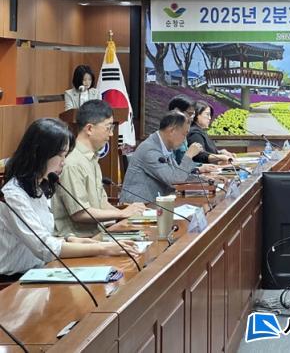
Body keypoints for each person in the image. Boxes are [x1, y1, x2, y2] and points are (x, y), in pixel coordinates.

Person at [0, 118, 139, 279]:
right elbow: (45, 248)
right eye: (61, 155)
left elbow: (43, 233)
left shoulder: (39, 187)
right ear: (41, 154)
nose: (63, 162)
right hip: (13, 280)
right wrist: (105, 248)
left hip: (39, 271)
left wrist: (69, 239)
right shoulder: (13, 195)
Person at [51, 100, 146, 238]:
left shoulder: (92, 158)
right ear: (89, 129)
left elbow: (102, 204)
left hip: (97, 236)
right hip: (78, 241)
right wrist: (122, 213)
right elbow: (80, 213)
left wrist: (130, 215)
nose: (111, 134)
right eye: (108, 128)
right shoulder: (73, 163)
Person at [120, 111, 204, 203]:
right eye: (184, 134)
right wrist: (188, 155)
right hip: (137, 206)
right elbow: (175, 181)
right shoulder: (150, 149)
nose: (184, 140)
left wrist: (205, 181)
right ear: (172, 131)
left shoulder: (165, 146)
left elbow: (177, 173)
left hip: (156, 203)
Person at [167, 95, 195, 165]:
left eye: (193, 115)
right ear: (177, 111)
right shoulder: (169, 134)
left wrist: (202, 166)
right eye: (190, 114)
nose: (192, 118)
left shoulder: (182, 132)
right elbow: (174, 166)